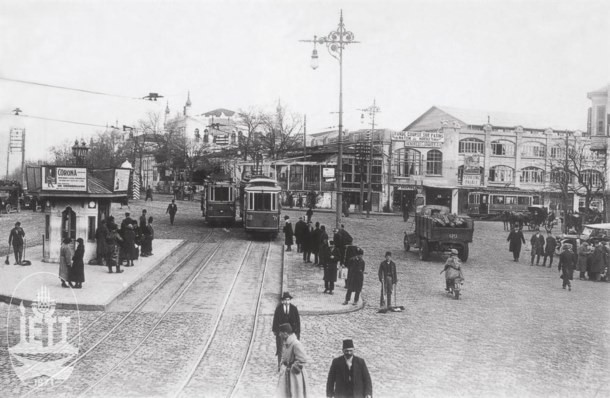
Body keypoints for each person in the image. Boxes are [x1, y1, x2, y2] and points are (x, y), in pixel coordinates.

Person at [275, 323, 308, 398]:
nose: (279, 335)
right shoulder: (287, 343)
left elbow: (302, 359)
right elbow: (285, 357)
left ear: (285, 333)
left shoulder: (296, 344)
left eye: (281, 333)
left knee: (294, 393)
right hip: (287, 374)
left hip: (294, 377)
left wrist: (292, 368)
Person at [272, 292, 301, 370]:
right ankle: (279, 364)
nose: (287, 302)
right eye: (285, 300)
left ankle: (292, 364)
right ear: (282, 301)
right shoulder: (278, 309)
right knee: (280, 348)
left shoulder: (294, 309)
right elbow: (275, 320)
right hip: (281, 332)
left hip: (292, 332)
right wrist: (275, 331)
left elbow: (298, 321)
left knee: (292, 348)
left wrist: (297, 332)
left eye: (288, 300)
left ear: (290, 300)